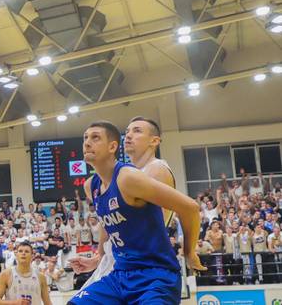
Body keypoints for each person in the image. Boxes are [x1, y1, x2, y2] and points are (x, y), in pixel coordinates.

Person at [67, 122, 205, 305]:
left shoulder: (129, 177)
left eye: (95, 137)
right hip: (120, 274)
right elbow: (107, 222)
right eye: (85, 138)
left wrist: (189, 252)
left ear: (112, 146)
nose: (86, 143)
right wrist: (99, 256)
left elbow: (190, 207)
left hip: (155, 274)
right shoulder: (90, 186)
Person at [71, 116, 177, 288]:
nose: (128, 135)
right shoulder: (120, 175)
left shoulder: (156, 169)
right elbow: (110, 221)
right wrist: (99, 257)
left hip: (140, 264)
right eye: (127, 131)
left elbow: (151, 228)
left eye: (137, 131)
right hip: (116, 260)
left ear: (154, 141)